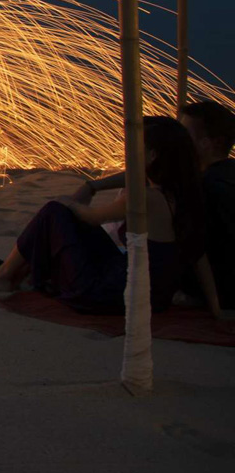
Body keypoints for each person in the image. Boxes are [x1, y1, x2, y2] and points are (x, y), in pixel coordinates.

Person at [0, 117, 214, 317]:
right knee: (63, 217)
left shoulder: (145, 199)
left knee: (54, 211)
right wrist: (215, 308)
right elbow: (200, 256)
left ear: (153, 156)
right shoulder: (184, 194)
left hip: (108, 295)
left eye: (135, 146)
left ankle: (2, 277)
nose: (127, 152)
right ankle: (13, 271)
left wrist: (68, 202)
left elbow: (91, 217)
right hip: (153, 298)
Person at [72, 99, 235, 314]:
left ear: (213, 142)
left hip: (204, 286)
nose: (176, 141)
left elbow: (199, 251)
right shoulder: (220, 174)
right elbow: (153, 174)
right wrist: (95, 185)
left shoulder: (199, 188)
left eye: (185, 135)